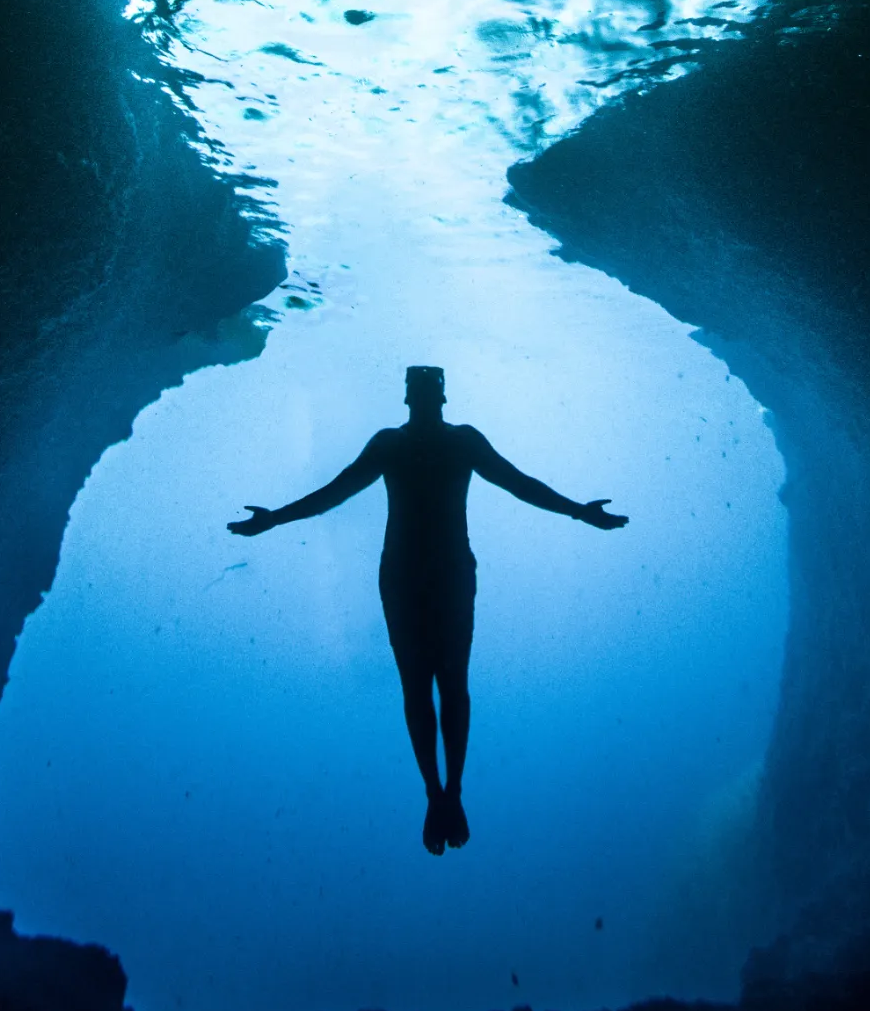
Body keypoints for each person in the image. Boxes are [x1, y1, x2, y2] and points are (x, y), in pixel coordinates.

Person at [228, 366, 628, 854]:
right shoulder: (446, 442)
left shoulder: (401, 444)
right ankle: (445, 793)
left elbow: (336, 495)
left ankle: (442, 793)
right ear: (439, 395)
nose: (421, 395)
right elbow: (518, 485)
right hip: (439, 574)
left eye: (421, 388)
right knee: (441, 685)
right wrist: (578, 512)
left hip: (413, 575)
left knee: (427, 686)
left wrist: (275, 519)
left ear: (414, 396)